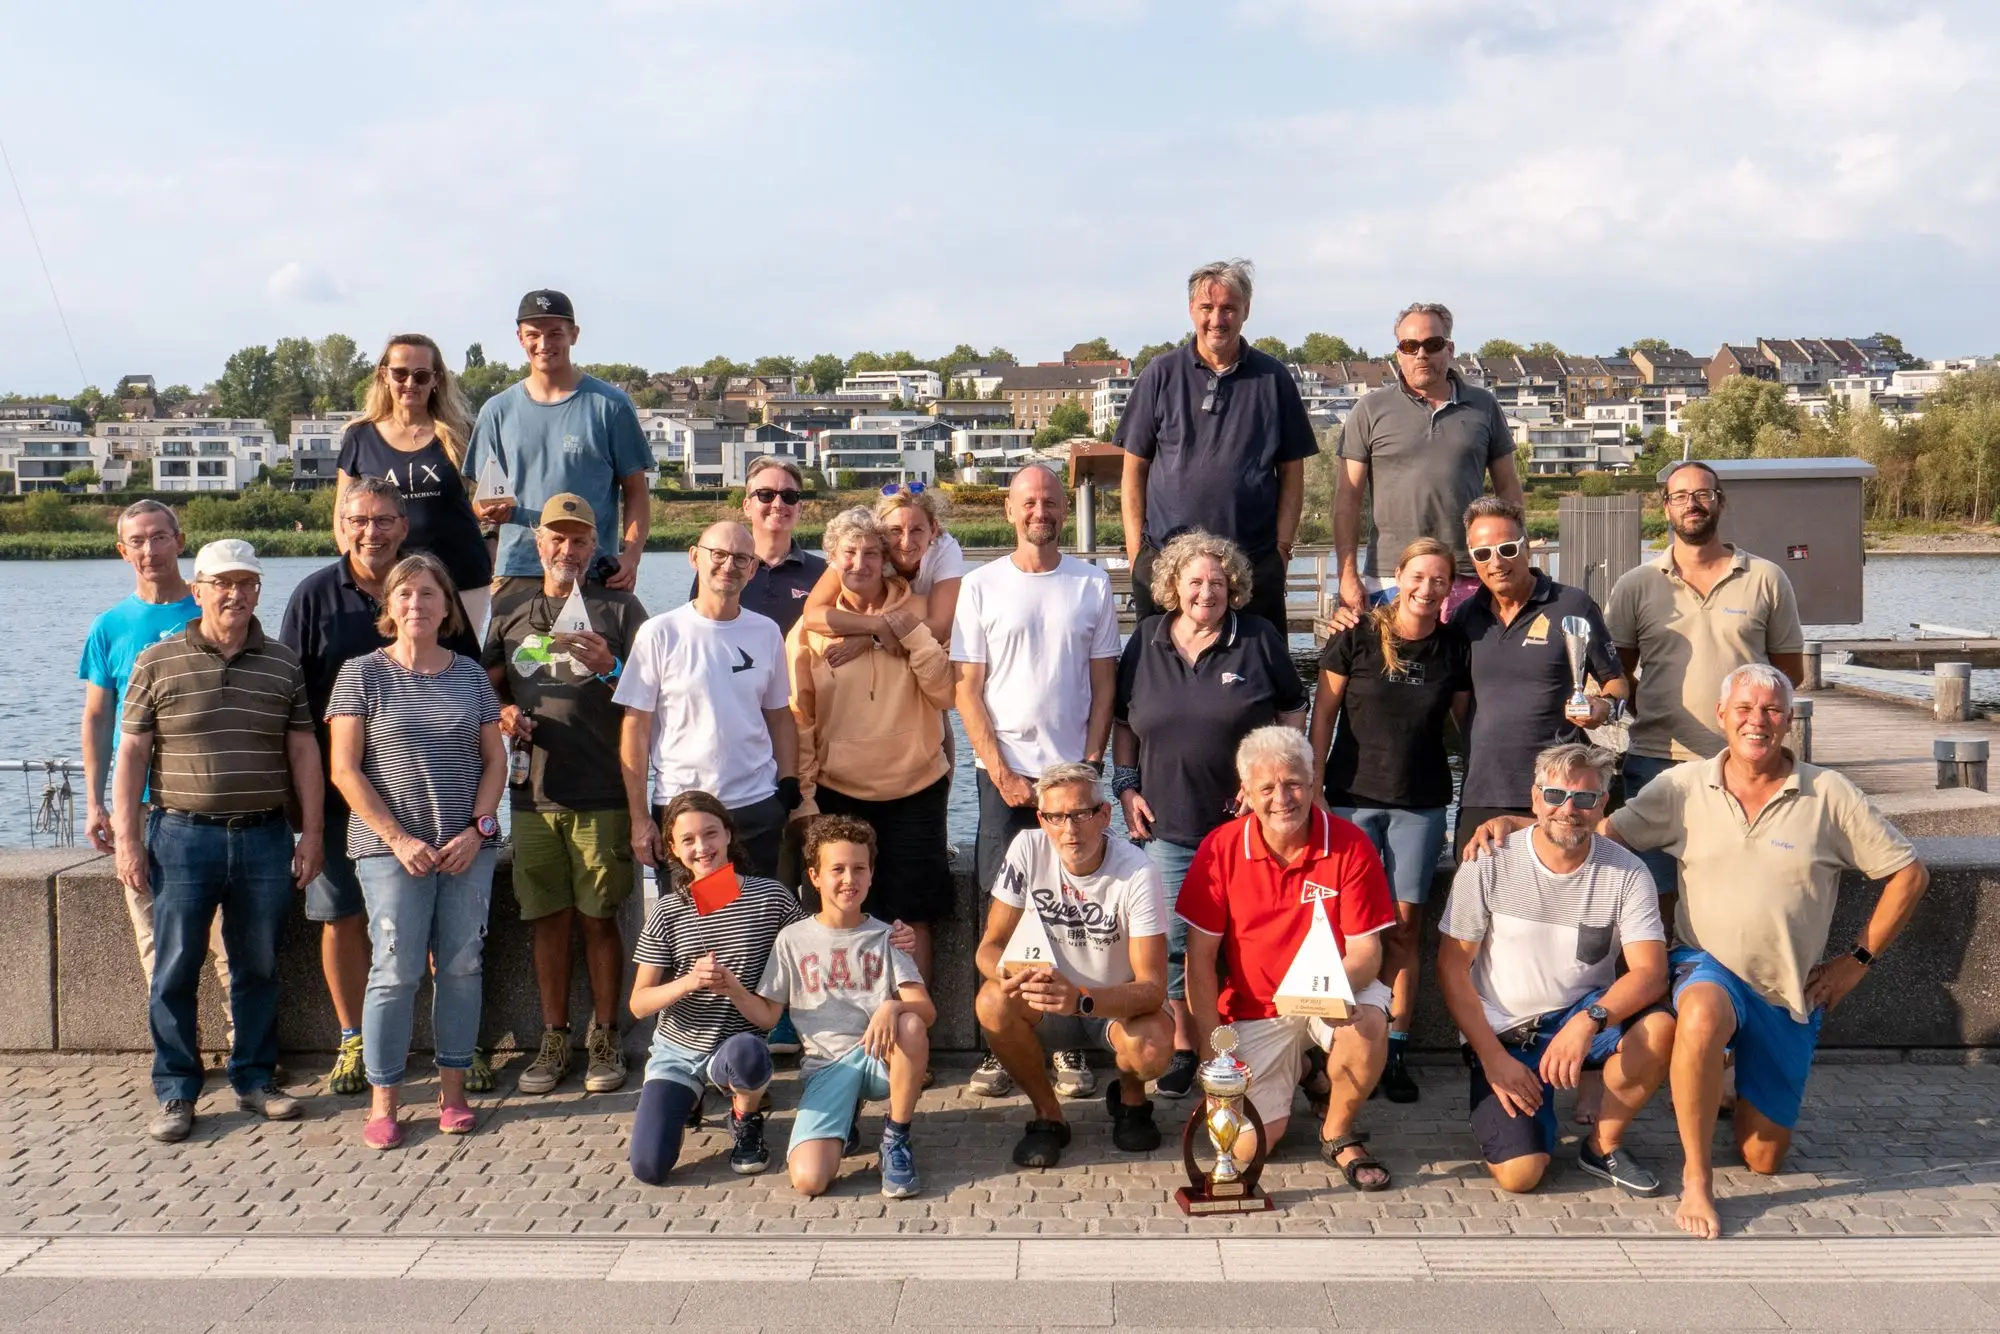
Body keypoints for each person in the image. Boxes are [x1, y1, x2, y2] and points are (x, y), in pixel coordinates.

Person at [1464, 665, 1929, 1239]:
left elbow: (1909, 874)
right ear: (1721, 716)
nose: (1757, 722)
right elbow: (1596, 830)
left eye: (1771, 710)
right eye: (1744, 709)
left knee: (1764, 1158)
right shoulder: (1684, 786)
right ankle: (1697, 1179)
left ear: (1789, 720)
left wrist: (1855, 963)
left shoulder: (1830, 793)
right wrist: (1519, 822)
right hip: (1703, 967)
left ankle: (1722, 1076)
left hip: (1785, 991)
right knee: (1702, 1012)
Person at [112, 539, 323, 1144]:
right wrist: (128, 839)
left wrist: (311, 832)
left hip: (263, 836)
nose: (236, 594)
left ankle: (255, 1080)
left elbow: (303, 751)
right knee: (174, 968)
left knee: (257, 966)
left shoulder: (283, 663)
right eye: (223, 584)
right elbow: (132, 754)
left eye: (247, 583)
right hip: (181, 837)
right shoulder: (156, 661)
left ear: (259, 590)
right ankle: (177, 1090)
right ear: (198, 590)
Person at [280, 478, 481, 1096]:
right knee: (341, 916)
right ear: (343, 525)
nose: (372, 531)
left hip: (438, 804)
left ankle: (454, 1053)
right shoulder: (313, 596)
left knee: (445, 938)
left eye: (384, 519)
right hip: (341, 792)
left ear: (403, 525)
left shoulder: (436, 591)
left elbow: (476, 684)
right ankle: (354, 1042)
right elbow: (289, 698)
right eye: (359, 520)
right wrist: (304, 805)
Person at [1113, 529, 1306, 1098]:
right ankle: (1183, 1045)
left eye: (1217, 582)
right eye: (1194, 581)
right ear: (1173, 586)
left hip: (1244, 827)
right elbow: (1124, 722)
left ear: (1234, 587)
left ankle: (1246, 1041)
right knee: (1173, 942)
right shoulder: (1146, 639)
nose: (1206, 592)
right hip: (1165, 824)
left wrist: (1270, 779)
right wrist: (1125, 786)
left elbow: (1294, 710)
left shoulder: (1259, 638)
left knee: (1244, 939)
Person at [1435, 743, 1674, 1196]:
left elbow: (1650, 973)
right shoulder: (1487, 862)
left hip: (1585, 1017)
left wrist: (1588, 1021)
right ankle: (1517, 1106)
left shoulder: (1628, 872)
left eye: (1584, 798)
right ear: (1534, 798)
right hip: (1509, 1033)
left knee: (1660, 1028)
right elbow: (1451, 968)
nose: (1568, 809)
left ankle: (1603, 1144)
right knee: (1521, 1175)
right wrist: (1493, 1058)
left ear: (1603, 804)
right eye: (1555, 795)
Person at [327, 553, 506, 1150]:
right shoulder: (361, 674)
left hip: (464, 849)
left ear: (447, 605)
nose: (417, 605)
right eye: (405, 594)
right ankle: (384, 1101)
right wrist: (398, 838)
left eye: (429, 594)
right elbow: (345, 770)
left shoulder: (470, 676)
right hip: (389, 851)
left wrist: (478, 829)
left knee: (461, 967)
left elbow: (495, 760)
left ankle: (453, 1095)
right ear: (389, 605)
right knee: (394, 971)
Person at [953, 464, 1120, 1098]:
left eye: (1050, 501)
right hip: (1005, 779)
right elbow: (967, 689)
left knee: (1072, 912)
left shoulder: (1091, 583)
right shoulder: (980, 585)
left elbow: (1104, 684)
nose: (1040, 511)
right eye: (1028, 502)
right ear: (1009, 509)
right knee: (1002, 915)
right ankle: (1004, 1044)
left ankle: (1067, 1043)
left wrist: (1091, 764)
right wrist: (1000, 771)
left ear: (1064, 509)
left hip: (1071, 780)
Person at [1178, 727, 1397, 1190]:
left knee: (1368, 1026)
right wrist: (1210, 1053)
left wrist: (1328, 991)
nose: (1282, 799)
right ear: (1246, 792)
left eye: (1294, 783)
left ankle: (1337, 1132)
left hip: (1331, 992)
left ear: (1314, 781)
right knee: (1243, 1148)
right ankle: (1306, 1068)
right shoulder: (1220, 848)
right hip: (1255, 1007)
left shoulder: (1351, 844)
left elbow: (1367, 953)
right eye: (1267, 788)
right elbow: (1200, 961)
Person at [485, 493, 649, 1097]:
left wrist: (610, 667)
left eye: (580, 540)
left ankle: (606, 1035)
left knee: (600, 919)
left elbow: (651, 696)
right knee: (545, 920)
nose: (568, 549)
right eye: (557, 538)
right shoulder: (510, 608)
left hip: (604, 790)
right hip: (533, 794)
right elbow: (485, 687)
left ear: (594, 545)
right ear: (539, 544)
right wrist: (504, 714)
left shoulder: (620, 607)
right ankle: (554, 1037)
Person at [1308, 537, 1470, 1103]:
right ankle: (1332, 1040)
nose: (1427, 588)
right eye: (1418, 576)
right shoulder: (1354, 636)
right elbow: (1322, 717)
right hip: (1349, 798)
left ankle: (1395, 1048)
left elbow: (1470, 728)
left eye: (1439, 579)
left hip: (1420, 803)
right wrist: (1313, 788)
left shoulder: (1454, 649)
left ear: (1450, 588)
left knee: (1403, 927)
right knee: (1341, 924)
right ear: (1399, 576)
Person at [1605, 459, 1805, 903]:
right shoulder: (1636, 585)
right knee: (1652, 896)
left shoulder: (1766, 578)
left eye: (1702, 494)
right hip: (1657, 763)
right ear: (1666, 507)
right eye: (1680, 496)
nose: (1691, 504)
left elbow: (1789, 674)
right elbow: (1615, 673)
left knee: (1739, 894)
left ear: (1720, 502)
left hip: (1745, 764)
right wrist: (1653, 707)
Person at [973, 764, 1175, 1167]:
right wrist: (1015, 975)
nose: (1069, 829)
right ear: (1041, 820)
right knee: (991, 1003)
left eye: (1081, 814)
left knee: (1152, 1046)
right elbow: (988, 949)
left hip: (1113, 1007)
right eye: (1056, 817)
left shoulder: (1138, 871)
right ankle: (1048, 1115)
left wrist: (1081, 999)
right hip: (1047, 1000)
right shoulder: (1026, 849)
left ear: (1105, 815)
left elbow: (1153, 988)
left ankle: (1131, 1100)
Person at [787, 508, 954, 986]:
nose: (860, 563)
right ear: (832, 559)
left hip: (916, 788)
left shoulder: (919, 611)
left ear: (886, 559)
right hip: (839, 791)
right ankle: (853, 1021)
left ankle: (914, 1019)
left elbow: (945, 693)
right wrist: (805, 797)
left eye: (871, 553)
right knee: (843, 912)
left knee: (913, 915)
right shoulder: (807, 632)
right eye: (849, 553)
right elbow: (800, 719)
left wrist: (900, 634)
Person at [79, 500, 232, 1002]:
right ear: (123, 551)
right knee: (155, 939)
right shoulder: (110, 626)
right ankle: (172, 1043)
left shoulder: (212, 610)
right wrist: (95, 801)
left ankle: (244, 1042)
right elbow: (99, 718)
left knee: (229, 940)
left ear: (180, 542)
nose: (150, 550)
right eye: (138, 541)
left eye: (160, 537)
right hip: (139, 802)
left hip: (208, 798)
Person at [1117, 259, 1317, 629]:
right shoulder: (1159, 374)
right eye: (1207, 308)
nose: (1217, 319)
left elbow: (1292, 472)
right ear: (1191, 309)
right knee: (1159, 664)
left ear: (1246, 311)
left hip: (1254, 568)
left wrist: (1281, 552)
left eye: (1228, 308)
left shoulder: (1274, 379)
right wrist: (1136, 557)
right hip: (1166, 570)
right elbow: (1133, 470)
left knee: (1260, 665)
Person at [742, 816, 934, 1199]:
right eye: (837, 869)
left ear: (872, 874)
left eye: (859, 868)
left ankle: (896, 1138)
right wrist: (731, 988)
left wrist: (892, 1008)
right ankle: (845, 1116)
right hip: (827, 1066)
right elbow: (768, 1015)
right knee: (809, 1181)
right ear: (814, 876)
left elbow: (925, 1010)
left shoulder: (887, 936)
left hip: (877, 1057)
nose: (850, 879)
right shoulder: (792, 939)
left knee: (911, 1026)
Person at [626, 791, 803, 1182]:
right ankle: (690, 1097)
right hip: (677, 1049)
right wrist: (689, 982)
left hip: (737, 1044)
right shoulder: (667, 910)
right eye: (688, 840)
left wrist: (884, 938)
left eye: (710, 834)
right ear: (673, 848)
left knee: (749, 1055)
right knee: (648, 1167)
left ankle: (745, 1115)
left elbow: (817, 943)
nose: (702, 847)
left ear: (728, 834)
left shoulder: (771, 897)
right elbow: (639, 1004)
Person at [616, 521, 800, 878]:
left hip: (756, 807)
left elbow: (779, 716)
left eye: (741, 558)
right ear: (694, 557)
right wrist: (639, 818)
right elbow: (636, 728)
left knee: (756, 913)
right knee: (694, 915)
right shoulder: (659, 633)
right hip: (685, 812)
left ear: (753, 569)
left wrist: (788, 786)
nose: (729, 565)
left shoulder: (767, 633)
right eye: (718, 554)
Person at [1451, 497, 1628, 859]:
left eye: (1507, 548)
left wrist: (1603, 707)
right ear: (1472, 558)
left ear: (1526, 546)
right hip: (1483, 790)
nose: (1496, 562)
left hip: (1560, 792)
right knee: (1476, 891)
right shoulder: (1465, 617)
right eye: (1483, 553)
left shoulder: (1572, 605)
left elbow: (1617, 683)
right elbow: (1458, 703)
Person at [1334, 301, 1523, 618]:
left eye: (1432, 344)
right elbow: (1347, 498)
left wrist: (1517, 554)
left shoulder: (1484, 406)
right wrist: (1347, 574)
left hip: (1470, 572)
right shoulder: (1369, 410)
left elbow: (1508, 488)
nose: (1420, 354)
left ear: (1449, 349)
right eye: (1410, 346)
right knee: (1394, 653)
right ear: (1398, 354)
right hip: (1391, 576)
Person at [465, 289, 652, 608]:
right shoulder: (496, 411)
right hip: (517, 573)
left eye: (555, 333)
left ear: (574, 334)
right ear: (520, 338)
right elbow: (479, 501)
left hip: (593, 573)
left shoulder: (610, 406)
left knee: (601, 645)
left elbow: (636, 491)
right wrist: (485, 510)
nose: (544, 343)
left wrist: (631, 556)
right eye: (533, 334)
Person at [335, 333, 492, 629]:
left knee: (459, 657)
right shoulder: (359, 436)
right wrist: (358, 572)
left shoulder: (463, 433)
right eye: (400, 374)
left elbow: (498, 499)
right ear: (384, 376)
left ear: (436, 379)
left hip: (463, 576)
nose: (410, 383)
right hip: (388, 581)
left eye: (421, 376)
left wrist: (493, 544)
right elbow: (342, 517)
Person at [801, 482, 965, 653]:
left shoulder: (945, 550)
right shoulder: (866, 546)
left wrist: (870, 639)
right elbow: (812, 614)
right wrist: (876, 626)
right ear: (880, 531)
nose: (906, 542)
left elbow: (940, 628)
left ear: (933, 530)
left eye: (917, 530)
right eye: (895, 530)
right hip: (888, 622)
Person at [690, 456, 826, 633]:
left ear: (799, 508)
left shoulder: (825, 573)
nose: (778, 504)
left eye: (788, 496)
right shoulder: (721, 570)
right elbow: (697, 630)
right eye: (766, 495)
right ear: (747, 506)